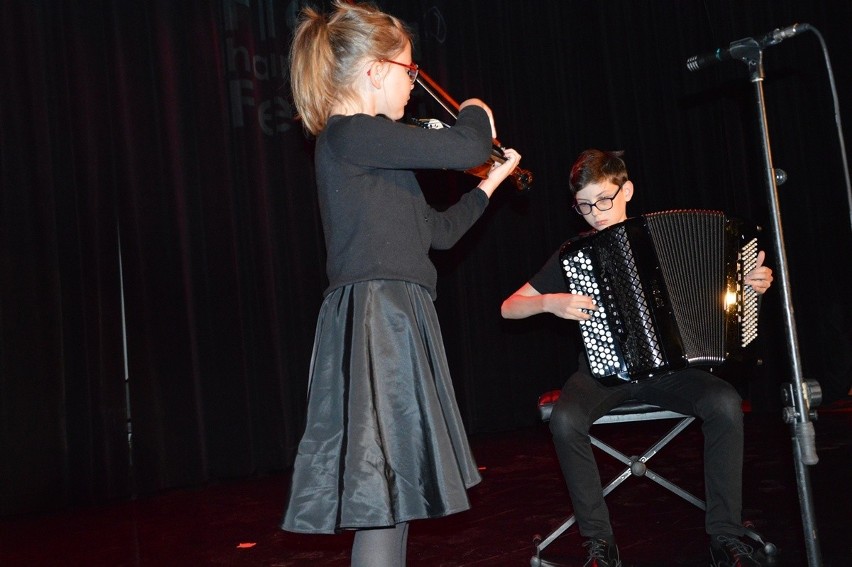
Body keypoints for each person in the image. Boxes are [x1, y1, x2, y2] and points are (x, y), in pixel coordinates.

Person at [280, 2, 522, 566]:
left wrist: (490, 186)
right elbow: (465, 144)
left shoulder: (373, 149)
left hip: (396, 312)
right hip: (377, 316)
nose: (415, 87)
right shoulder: (352, 135)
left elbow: (437, 233)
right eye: (409, 72)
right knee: (385, 491)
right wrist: (475, 111)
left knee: (399, 490)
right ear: (374, 71)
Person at [501, 149, 774, 567]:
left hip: (672, 372)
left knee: (724, 402)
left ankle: (725, 535)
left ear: (626, 190)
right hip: (602, 373)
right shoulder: (576, 253)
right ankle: (600, 546)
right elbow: (509, 306)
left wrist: (751, 284)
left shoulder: (666, 237)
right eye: (584, 206)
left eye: (604, 200)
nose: (595, 214)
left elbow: (729, 292)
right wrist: (549, 302)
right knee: (565, 420)